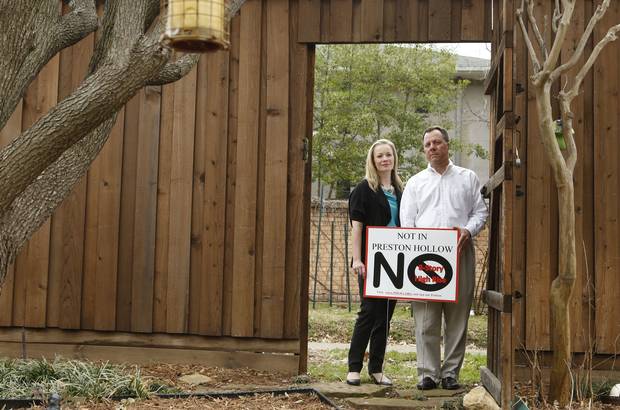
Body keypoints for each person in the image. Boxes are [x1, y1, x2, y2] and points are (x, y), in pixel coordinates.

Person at [400, 126, 488, 390]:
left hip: (459, 252)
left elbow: (480, 213)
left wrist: (467, 230)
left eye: (437, 142)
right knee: (425, 318)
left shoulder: (468, 177)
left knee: (457, 316)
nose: (432, 148)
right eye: (427, 144)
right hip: (424, 258)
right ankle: (427, 373)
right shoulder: (415, 182)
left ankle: (450, 373)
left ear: (448, 145)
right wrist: (416, 250)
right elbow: (407, 221)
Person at [346, 139, 403, 386]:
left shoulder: (402, 189)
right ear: (373, 160)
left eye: (388, 154)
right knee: (369, 312)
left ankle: (376, 369)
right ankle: (354, 367)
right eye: (379, 156)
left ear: (393, 158)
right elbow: (356, 228)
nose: (384, 159)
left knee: (386, 314)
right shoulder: (364, 189)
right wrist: (357, 259)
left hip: (397, 260)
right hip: (371, 259)